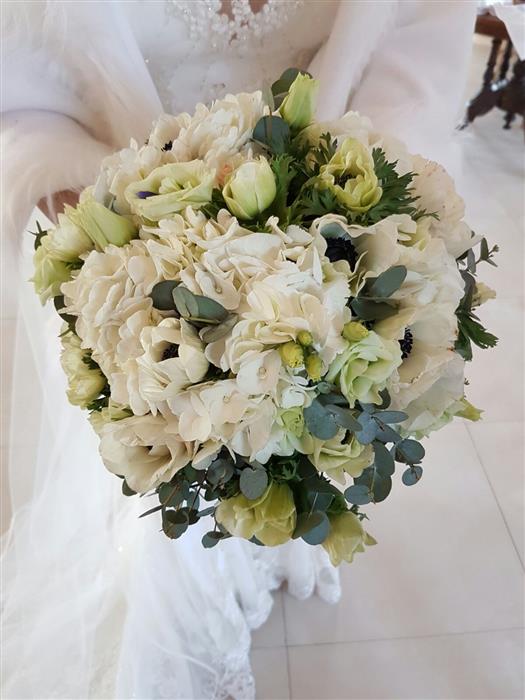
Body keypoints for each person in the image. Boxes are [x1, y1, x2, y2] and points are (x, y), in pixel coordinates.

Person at [1, 2, 476, 698]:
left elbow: (413, 83)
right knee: (154, 480)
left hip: (316, 259)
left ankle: (254, 548)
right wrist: (89, 200)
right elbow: (21, 90)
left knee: (277, 441)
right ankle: (165, 642)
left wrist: (334, 248)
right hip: (128, 254)